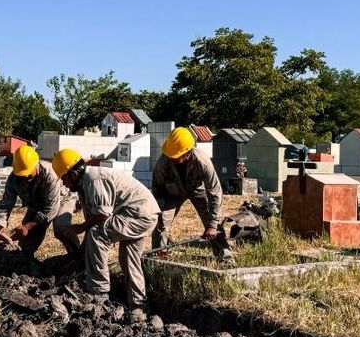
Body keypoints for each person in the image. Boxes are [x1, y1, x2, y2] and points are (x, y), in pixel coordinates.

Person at [51, 148, 158, 320]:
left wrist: (79, 227)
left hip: (139, 215)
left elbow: (101, 216)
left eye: (64, 178)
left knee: (97, 231)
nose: (64, 183)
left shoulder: (94, 179)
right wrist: (83, 253)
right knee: (129, 258)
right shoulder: (85, 183)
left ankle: (99, 292)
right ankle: (139, 306)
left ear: (73, 174)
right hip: (141, 214)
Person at [151, 127, 232, 262]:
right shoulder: (164, 161)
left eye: (176, 156)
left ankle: (225, 259)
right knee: (161, 223)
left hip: (196, 190)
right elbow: (157, 188)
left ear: (188, 152)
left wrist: (212, 224)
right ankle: (157, 259)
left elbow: (215, 191)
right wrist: (157, 212)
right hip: (171, 193)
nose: (172, 158)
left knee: (213, 224)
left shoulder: (202, 162)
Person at [0, 145, 69, 260]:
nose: (25, 176)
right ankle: (26, 265)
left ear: (36, 164)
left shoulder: (50, 175)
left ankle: (78, 257)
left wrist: (27, 226)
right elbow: (6, 203)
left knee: (62, 229)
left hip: (61, 198)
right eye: (22, 174)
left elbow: (50, 209)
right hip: (37, 204)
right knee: (25, 243)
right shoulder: (14, 178)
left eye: (28, 172)